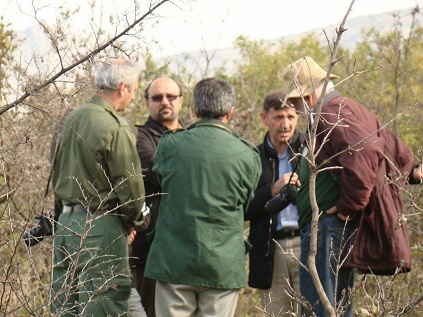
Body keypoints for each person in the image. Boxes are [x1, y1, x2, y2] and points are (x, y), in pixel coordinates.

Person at [282, 56, 423, 317]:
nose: (296, 109)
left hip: (328, 227)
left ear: (307, 96)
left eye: (294, 102)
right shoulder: (351, 108)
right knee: (336, 307)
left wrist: (348, 207)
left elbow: (366, 151)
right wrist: (411, 172)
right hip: (335, 227)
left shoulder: (328, 113)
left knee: (319, 309)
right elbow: (397, 151)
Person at [144, 77, 261, 317]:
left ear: (195, 109)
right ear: (230, 112)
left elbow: (161, 180)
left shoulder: (169, 146)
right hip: (222, 264)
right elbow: (246, 204)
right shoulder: (247, 154)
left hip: (173, 261)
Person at [51, 58, 146, 317]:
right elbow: (131, 189)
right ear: (123, 87)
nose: (133, 96)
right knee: (103, 306)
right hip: (99, 227)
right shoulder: (114, 126)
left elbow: (57, 172)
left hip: (65, 226)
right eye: (134, 89)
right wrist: (133, 221)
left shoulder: (67, 121)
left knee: (64, 308)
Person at [245, 90, 305, 316]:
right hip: (271, 251)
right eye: (279, 117)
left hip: (307, 244)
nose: (285, 124)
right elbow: (242, 208)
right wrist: (272, 190)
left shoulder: (310, 151)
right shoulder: (253, 157)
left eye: (291, 117)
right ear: (264, 118)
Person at [130, 77, 184, 317]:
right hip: (149, 252)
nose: (165, 102)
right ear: (146, 102)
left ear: (181, 101)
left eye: (171, 96)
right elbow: (157, 169)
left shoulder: (191, 136)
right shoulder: (138, 138)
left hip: (187, 251)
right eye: (157, 97)